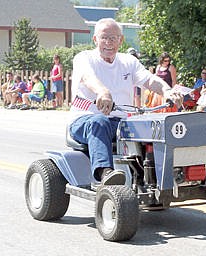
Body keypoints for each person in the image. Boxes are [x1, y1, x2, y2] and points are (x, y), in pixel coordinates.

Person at [68, 18, 183, 186]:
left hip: (120, 122)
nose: (108, 42)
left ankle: (170, 173)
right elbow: (87, 77)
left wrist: (167, 91)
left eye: (113, 38)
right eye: (104, 37)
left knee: (156, 126)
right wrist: (102, 91)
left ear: (121, 40)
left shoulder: (128, 61)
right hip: (85, 120)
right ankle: (105, 172)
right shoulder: (84, 58)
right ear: (95, 39)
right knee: (99, 121)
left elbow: (150, 80)